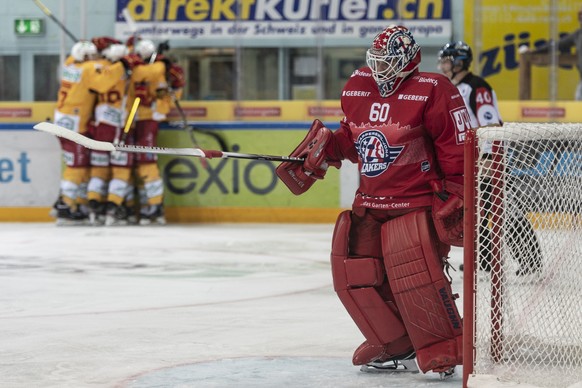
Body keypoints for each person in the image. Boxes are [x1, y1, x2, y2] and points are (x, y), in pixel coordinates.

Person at [276, 25, 466, 379]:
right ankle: (396, 344)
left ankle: (441, 347)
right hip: (370, 201)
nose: (381, 69)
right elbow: (353, 137)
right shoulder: (359, 84)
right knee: (355, 275)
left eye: (389, 62)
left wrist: (457, 194)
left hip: (415, 203)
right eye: (377, 60)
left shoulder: (434, 89)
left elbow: (456, 148)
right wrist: (327, 148)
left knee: (415, 280)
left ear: (409, 60)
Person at [438, 41, 542, 275]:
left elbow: (492, 125)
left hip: (489, 159)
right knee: (477, 213)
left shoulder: (477, 87)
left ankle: (530, 260)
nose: (443, 65)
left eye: (447, 60)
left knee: (505, 210)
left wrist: (488, 157)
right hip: (472, 161)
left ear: (459, 62)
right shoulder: (453, 88)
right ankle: (483, 261)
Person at [128, 39, 169, 225]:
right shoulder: (143, 67)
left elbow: (156, 80)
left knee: (147, 161)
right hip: (132, 119)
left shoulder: (155, 68)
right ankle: (147, 203)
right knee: (136, 163)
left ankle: (155, 205)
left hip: (148, 119)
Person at [520, 7, 582, 100]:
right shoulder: (578, 35)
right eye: (580, 18)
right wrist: (535, 50)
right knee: (578, 100)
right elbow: (557, 45)